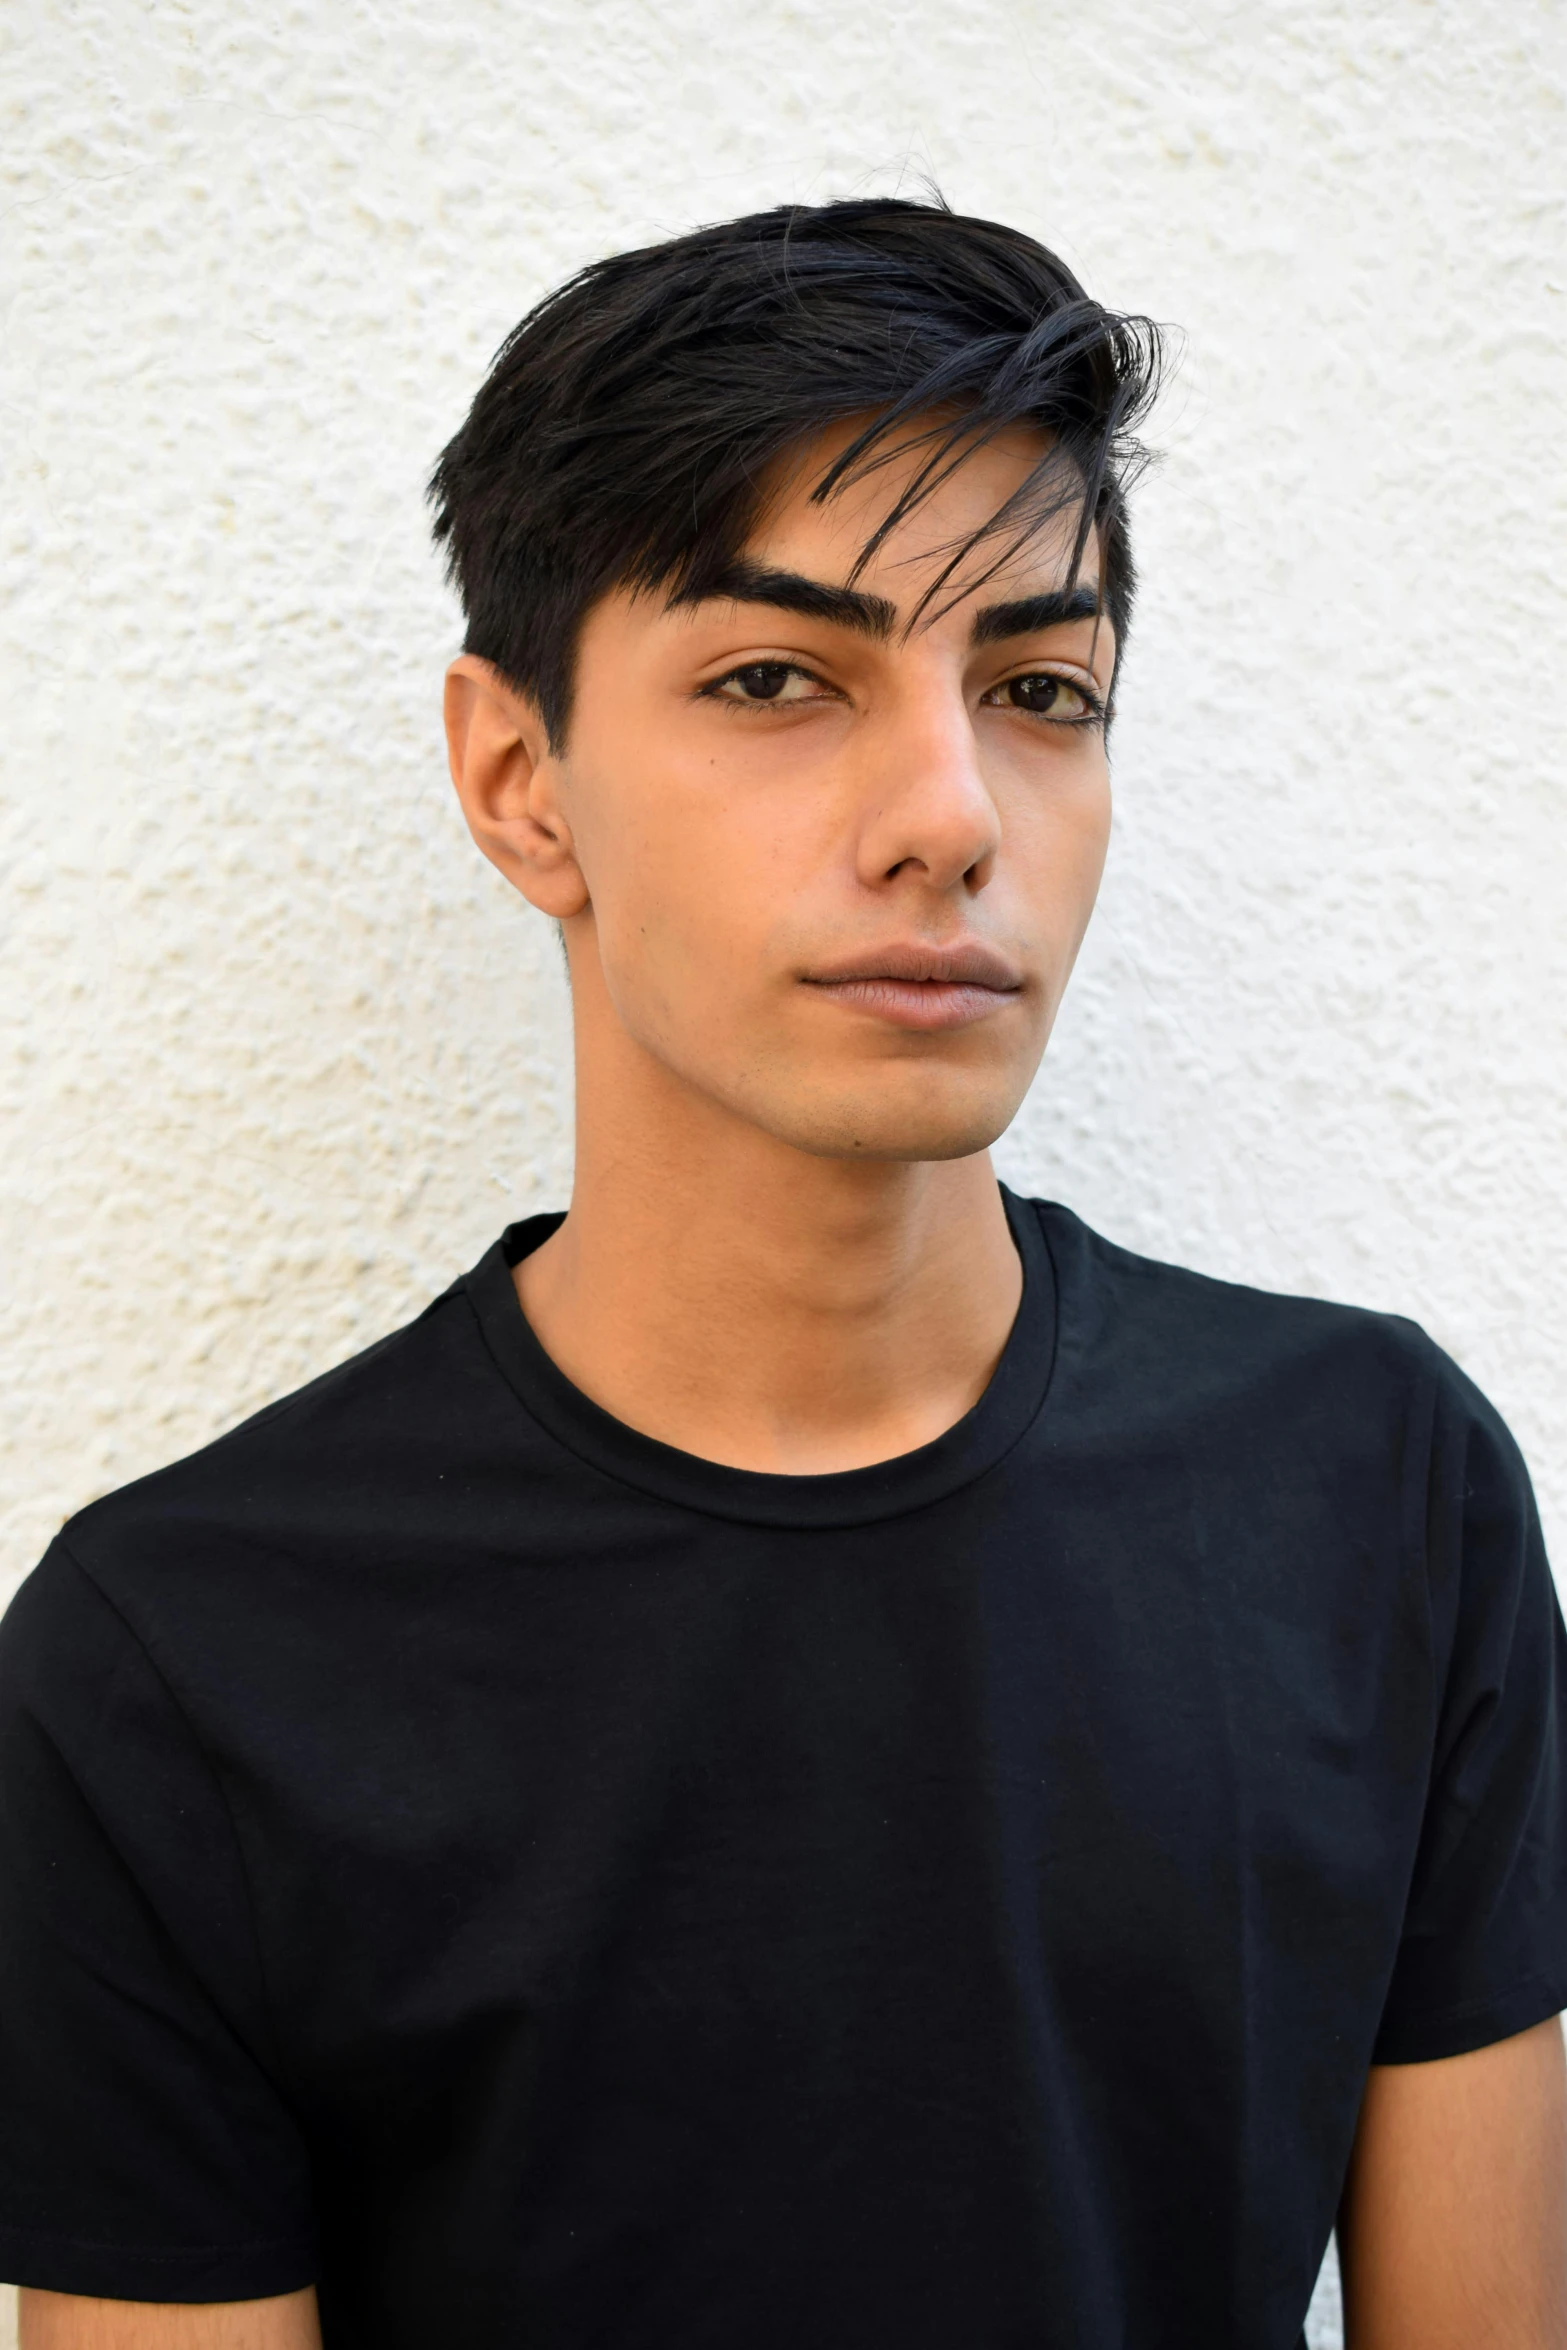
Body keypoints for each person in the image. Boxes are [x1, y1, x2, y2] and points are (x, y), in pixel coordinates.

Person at [1, 197, 1563, 2350]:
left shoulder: (1382, 1490)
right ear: (518, 778)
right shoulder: (177, 1661)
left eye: (1038, 687)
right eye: (773, 677)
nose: (948, 814)